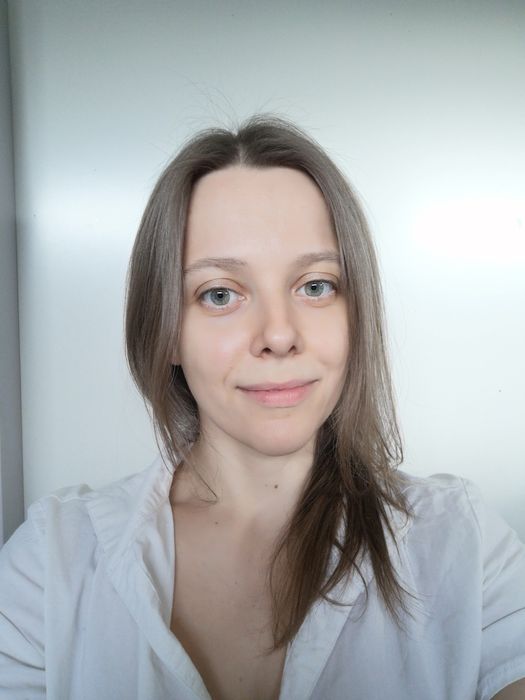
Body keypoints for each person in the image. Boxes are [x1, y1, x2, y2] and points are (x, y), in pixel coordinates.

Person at [1, 115, 524, 700]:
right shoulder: (50, 564)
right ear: (166, 331)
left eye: (316, 285)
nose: (278, 335)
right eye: (220, 294)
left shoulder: (465, 546)